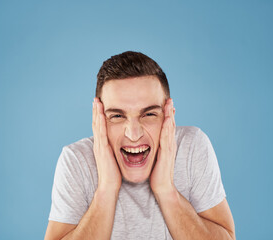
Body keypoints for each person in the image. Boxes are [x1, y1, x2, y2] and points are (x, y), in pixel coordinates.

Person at [44, 51, 235, 240]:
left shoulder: (192, 147)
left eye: (149, 114)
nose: (134, 135)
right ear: (99, 120)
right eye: (117, 116)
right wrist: (106, 189)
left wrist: (166, 190)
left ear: (168, 117)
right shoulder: (77, 160)